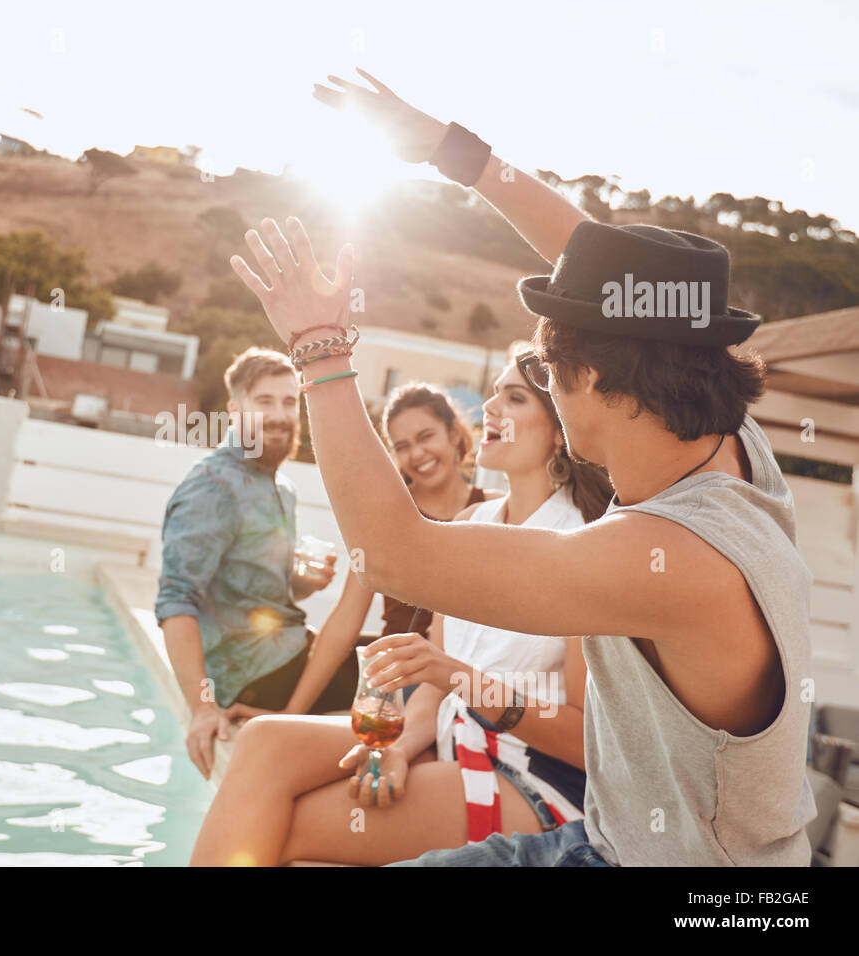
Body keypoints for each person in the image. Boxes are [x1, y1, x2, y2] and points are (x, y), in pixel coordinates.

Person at [221, 69, 815, 867]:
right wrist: (445, 150)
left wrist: (319, 350)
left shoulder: (669, 557)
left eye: (543, 363)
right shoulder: (727, 437)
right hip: (613, 839)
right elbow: (596, 254)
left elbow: (393, 553)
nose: (535, 379)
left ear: (595, 380)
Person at [190, 355, 613, 865]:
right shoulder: (472, 521)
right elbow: (431, 673)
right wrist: (400, 747)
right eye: (495, 392)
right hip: (443, 736)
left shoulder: (587, 543)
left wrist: (459, 676)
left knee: (286, 824)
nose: (490, 406)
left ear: (561, 427)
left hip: (530, 773)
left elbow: (585, 742)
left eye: (515, 397)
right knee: (263, 741)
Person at [224, 382, 492, 719]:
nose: (417, 454)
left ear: (454, 434)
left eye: (426, 437)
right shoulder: (384, 517)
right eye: (403, 446)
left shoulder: (495, 511)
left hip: (467, 676)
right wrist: (292, 710)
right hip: (397, 678)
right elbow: (345, 621)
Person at [155, 346, 344, 780]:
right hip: (255, 679)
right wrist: (203, 708)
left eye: (288, 402)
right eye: (264, 402)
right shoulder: (212, 487)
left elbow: (258, 589)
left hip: (288, 652)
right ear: (234, 412)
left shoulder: (281, 485)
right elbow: (175, 601)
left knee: (394, 657)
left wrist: (302, 584)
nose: (279, 415)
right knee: (403, 685)